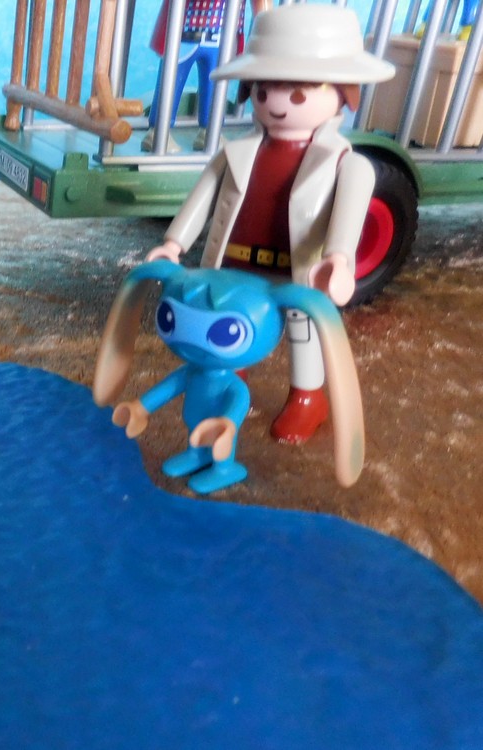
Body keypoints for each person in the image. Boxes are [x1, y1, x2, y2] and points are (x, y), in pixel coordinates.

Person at [146, 3, 394, 444]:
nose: (276, 103)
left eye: (298, 95)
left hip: (296, 269)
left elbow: (347, 220)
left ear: (344, 93)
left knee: (303, 331)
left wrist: (338, 260)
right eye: (264, 92)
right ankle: (229, 381)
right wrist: (174, 243)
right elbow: (202, 199)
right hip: (234, 267)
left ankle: (307, 398)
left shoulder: (347, 163)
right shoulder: (236, 152)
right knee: (229, 323)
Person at [143, 0, 270, 152]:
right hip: (184, 35)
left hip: (221, 38)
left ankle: (209, 131)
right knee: (172, 82)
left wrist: (266, 24)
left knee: (215, 87)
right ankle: (157, 132)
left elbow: (262, 8)